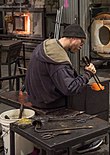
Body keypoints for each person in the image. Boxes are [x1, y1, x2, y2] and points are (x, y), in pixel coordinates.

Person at [24, 23, 103, 153]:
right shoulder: (57, 59)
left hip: (35, 95)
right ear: (73, 38)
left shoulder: (46, 45)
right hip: (47, 103)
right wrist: (88, 74)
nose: (81, 46)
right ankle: (81, 143)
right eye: (81, 42)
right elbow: (70, 88)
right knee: (81, 100)